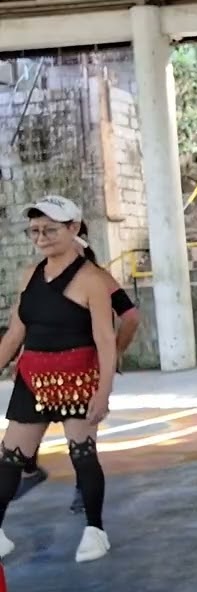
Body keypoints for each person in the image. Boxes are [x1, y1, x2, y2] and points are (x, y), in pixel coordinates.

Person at [0, 195, 118, 561]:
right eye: (35, 231)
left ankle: (95, 530)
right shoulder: (29, 275)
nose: (41, 237)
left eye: (50, 229)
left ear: (73, 229)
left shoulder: (93, 280)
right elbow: (15, 333)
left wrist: (103, 392)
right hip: (33, 377)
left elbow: (105, 339)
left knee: (82, 453)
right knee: (9, 456)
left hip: (78, 376)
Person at [18, 249, 140, 514]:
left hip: (81, 368)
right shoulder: (44, 277)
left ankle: (81, 496)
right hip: (46, 367)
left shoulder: (97, 279)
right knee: (39, 425)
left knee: (79, 439)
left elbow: (130, 316)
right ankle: (33, 470)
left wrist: (113, 353)